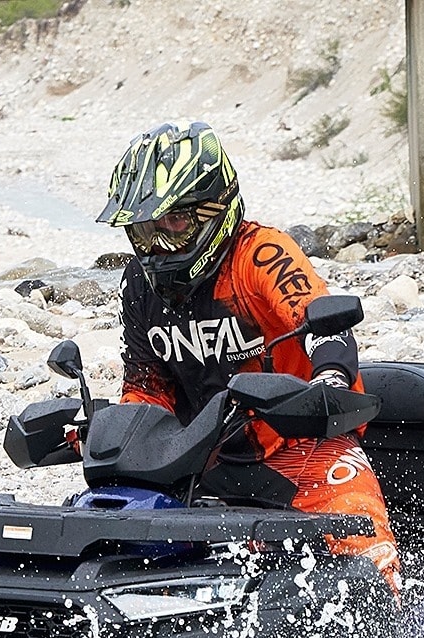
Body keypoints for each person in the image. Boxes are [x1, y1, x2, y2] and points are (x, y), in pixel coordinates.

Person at [97, 119, 401, 598]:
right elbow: (146, 386)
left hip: (302, 448)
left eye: (174, 224)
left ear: (215, 210)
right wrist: (113, 436)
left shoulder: (260, 254)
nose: (156, 246)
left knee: (370, 566)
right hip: (200, 458)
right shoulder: (138, 283)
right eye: (143, 230)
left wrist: (331, 378)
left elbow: (322, 321)